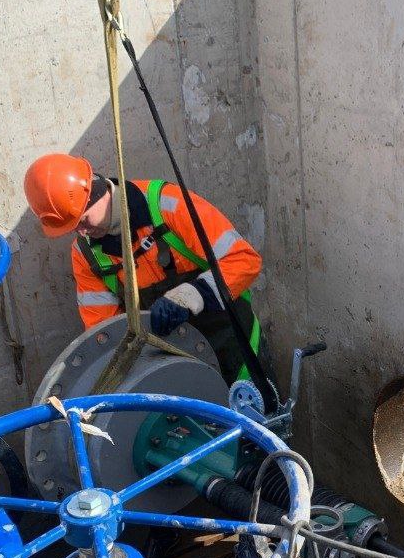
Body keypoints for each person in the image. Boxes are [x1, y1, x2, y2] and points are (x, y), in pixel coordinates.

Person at [24, 153, 270, 389]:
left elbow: (244, 260)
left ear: (96, 193)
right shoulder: (86, 254)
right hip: (172, 366)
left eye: (83, 220)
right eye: (73, 227)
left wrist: (192, 295)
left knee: (261, 424)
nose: (82, 232)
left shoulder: (167, 205)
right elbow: (105, 332)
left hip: (235, 349)